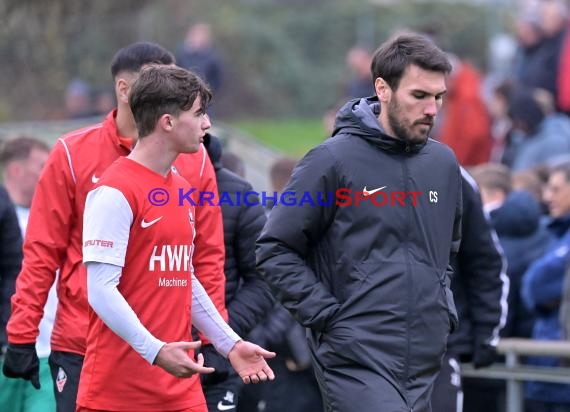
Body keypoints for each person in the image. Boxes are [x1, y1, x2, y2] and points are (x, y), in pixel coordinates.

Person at [3, 42, 228, 412]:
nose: (169, 89)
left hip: (172, 349)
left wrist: (216, 339)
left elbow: (204, 258)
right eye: (158, 80)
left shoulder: (195, 162)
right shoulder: (73, 155)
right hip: (84, 345)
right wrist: (23, 334)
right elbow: (42, 251)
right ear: (125, 90)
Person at [256, 32, 462, 412]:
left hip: (424, 355)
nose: (433, 109)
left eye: (439, 97)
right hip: (355, 356)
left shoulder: (444, 164)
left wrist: (441, 306)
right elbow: (274, 249)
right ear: (382, 89)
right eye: (420, 96)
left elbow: (448, 248)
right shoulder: (330, 160)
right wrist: (329, 317)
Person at [78, 64, 274, 411]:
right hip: (118, 394)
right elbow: (100, 290)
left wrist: (230, 344)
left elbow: (184, 278)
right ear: (167, 122)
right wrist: (155, 350)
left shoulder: (182, 189)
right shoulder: (113, 191)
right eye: (199, 113)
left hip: (182, 392)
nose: (207, 124)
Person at [201, 133, 274, 411]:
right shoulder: (143, 184)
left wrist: (221, 336)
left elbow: (265, 280)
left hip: (218, 362)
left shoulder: (238, 194)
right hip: (150, 357)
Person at [431, 168, 508, 412]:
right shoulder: (336, 164)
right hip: (358, 347)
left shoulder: (448, 173)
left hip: (437, 347)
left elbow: (484, 261)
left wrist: (486, 332)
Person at [0, 136, 55, 412]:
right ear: (16, 170)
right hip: (4, 348)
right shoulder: (7, 221)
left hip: (47, 351)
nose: (50, 173)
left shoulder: (55, 219)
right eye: (42, 166)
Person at [521, 161, 570, 412]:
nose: (547, 197)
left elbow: (537, 286)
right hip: (551, 372)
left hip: (561, 375)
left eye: (555, 189)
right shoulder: (557, 233)